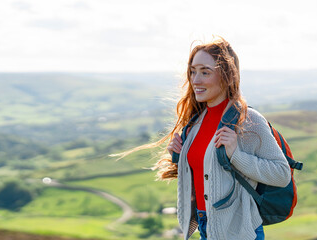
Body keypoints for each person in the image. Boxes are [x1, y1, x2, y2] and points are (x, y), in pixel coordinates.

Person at [116, 37, 291, 240]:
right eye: (192, 71)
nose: (195, 80)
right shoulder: (195, 122)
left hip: (239, 233)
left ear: (226, 76)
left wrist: (236, 154)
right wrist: (179, 157)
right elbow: (207, 173)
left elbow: (281, 174)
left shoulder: (248, 121)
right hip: (206, 228)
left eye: (205, 72)